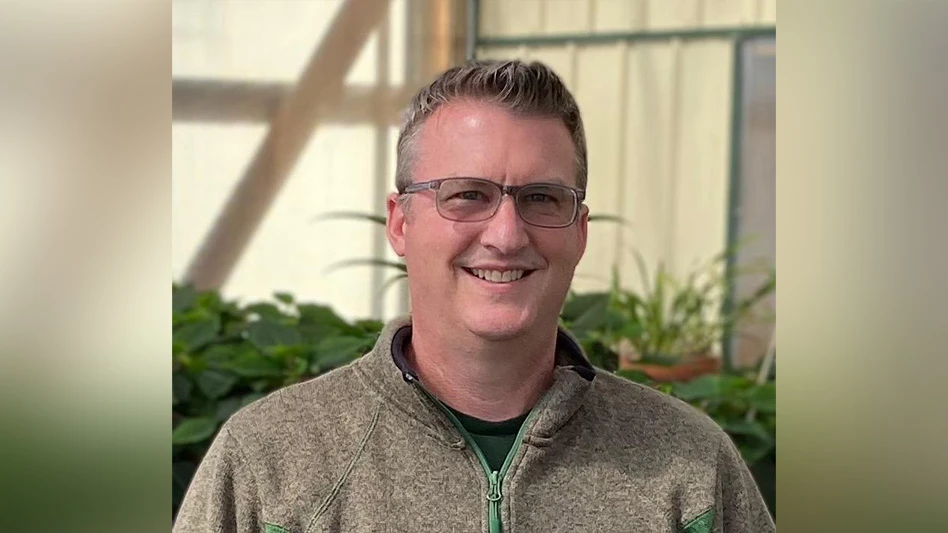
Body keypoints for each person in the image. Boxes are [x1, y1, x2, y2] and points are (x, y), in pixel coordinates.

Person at [174, 60, 775, 533]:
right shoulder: (270, 464)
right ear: (401, 223)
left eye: (542, 198)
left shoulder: (690, 468)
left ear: (580, 232)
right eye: (467, 195)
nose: (506, 235)